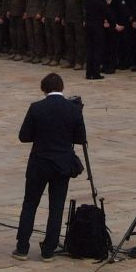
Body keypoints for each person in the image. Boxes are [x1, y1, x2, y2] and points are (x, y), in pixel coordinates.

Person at [14, 73, 87, 260]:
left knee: (30, 204)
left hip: (39, 162)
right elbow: (80, 139)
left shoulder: (36, 108)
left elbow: (24, 136)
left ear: (43, 89)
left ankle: (22, 248)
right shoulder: (73, 110)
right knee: (56, 207)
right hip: (61, 164)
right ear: (62, 88)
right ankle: (48, 250)